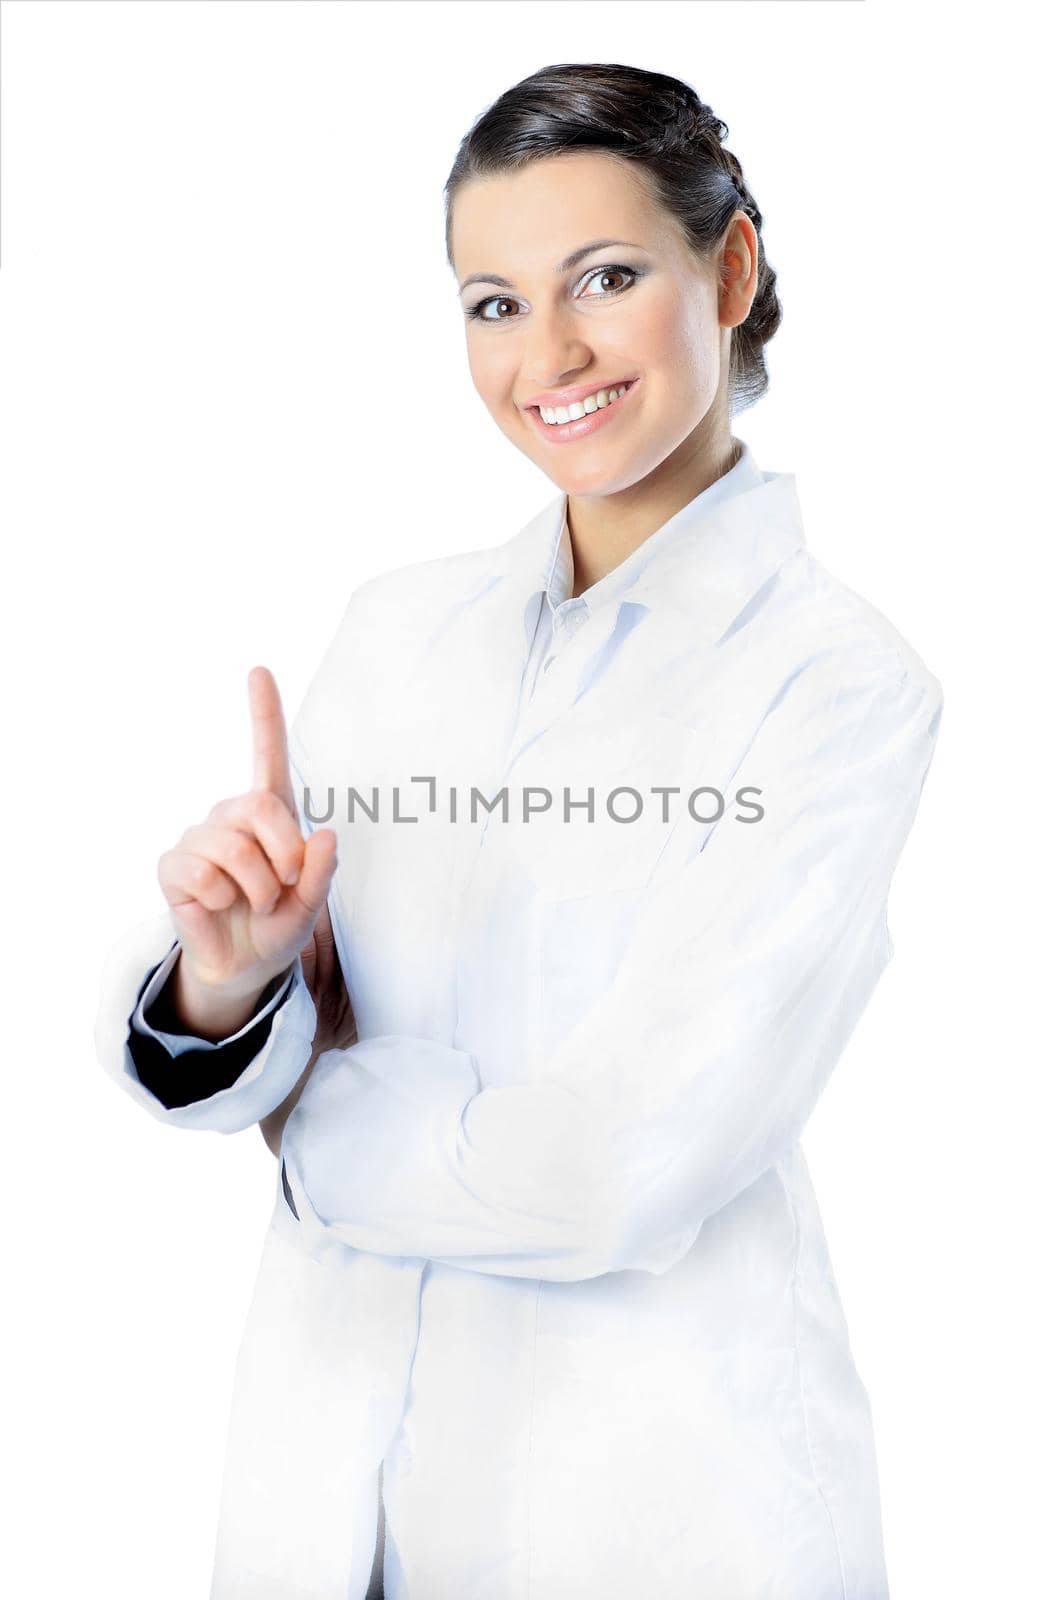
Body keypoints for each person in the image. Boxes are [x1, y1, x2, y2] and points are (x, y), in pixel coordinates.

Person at [95, 62, 944, 1600]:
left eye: (605, 279)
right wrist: (230, 990)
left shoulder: (837, 686)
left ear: (731, 269)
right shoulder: (396, 628)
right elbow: (263, 1060)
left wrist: (319, 1129)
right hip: (328, 1502)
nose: (546, 353)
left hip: (658, 1513)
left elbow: (612, 1170)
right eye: (492, 302)